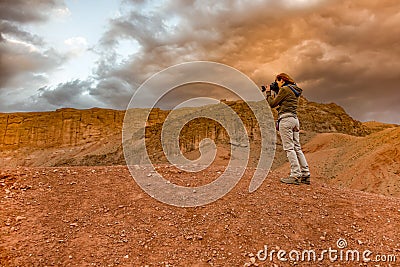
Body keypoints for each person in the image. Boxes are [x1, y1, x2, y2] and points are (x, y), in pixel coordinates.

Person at [265, 73, 311, 185]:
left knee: (289, 148)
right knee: (297, 147)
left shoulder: (285, 89)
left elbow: (272, 104)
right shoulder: (294, 90)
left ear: (282, 80)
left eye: (277, 81)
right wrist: (276, 90)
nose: (276, 84)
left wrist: (268, 92)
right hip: (295, 120)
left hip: (286, 120)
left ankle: (295, 175)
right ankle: (305, 174)